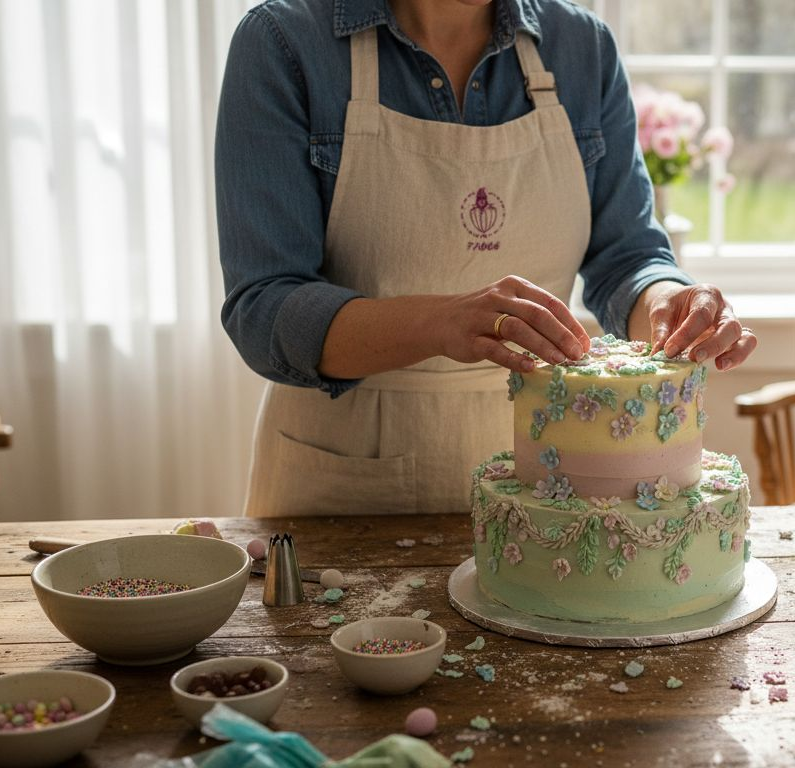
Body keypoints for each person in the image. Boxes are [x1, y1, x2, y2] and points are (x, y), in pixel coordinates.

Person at [215, 0, 757, 517]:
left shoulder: (581, 47)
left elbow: (627, 256)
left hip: (547, 494)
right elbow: (264, 309)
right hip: (343, 491)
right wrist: (440, 322)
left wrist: (669, 301)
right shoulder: (284, 43)